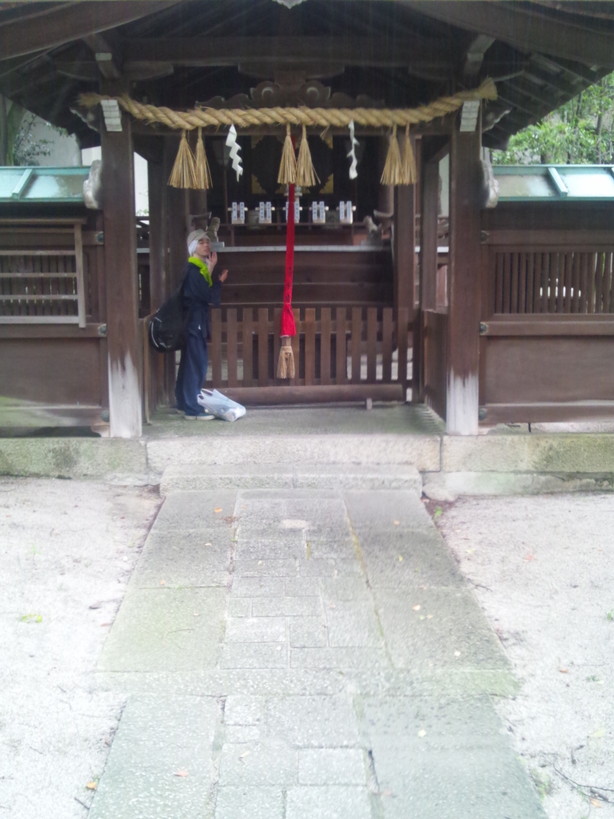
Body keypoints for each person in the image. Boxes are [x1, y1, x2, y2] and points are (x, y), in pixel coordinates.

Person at [175, 229, 228, 419]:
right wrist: (219, 282)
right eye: (201, 242)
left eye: (207, 242)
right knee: (196, 365)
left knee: (189, 364)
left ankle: (183, 403)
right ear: (192, 248)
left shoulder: (198, 269)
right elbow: (208, 296)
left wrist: (211, 269)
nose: (206, 245)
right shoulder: (194, 271)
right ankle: (192, 408)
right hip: (194, 324)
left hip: (193, 323)